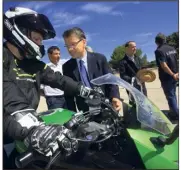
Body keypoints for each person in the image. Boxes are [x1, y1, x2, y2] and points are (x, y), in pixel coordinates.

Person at [3, 7, 97, 168]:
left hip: (25, 131)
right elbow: (6, 92)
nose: (40, 44)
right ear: (19, 31)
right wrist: (32, 127)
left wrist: (85, 90)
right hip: (9, 130)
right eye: (38, 39)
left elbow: (59, 80)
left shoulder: (34, 65)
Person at [62, 27, 122, 113]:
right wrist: (72, 113)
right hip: (85, 111)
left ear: (84, 42)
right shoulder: (67, 66)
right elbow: (68, 94)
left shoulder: (100, 59)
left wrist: (115, 97)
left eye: (73, 44)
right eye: (67, 46)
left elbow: (111, 81)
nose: (69, 49)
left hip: (105, 107)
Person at [154, 33, 179, 120]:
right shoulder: (172, 48)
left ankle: (176, 115)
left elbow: (164, 66)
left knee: (170, 96)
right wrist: (176, 73)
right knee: (173, 95)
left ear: (156, 42)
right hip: (175, 75)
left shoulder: (159, 51)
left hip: (167, 77)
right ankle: (174, 111)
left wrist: (172, 74)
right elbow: (176, 61)